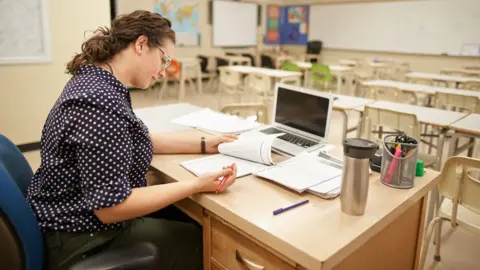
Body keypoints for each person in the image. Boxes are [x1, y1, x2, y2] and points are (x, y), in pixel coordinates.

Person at [26, 10, 238, 270]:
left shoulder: (99, 82)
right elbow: (110, 207)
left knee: (186, 216)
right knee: (206, 240)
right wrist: (194, 185)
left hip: (69, 216)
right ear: (140, 45)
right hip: (79, 235)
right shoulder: (98, 102)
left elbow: (136, 138)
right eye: (164, 59)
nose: (163, 72)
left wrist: (204, 144)